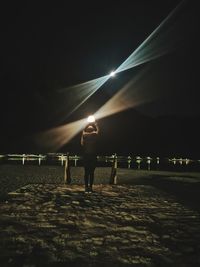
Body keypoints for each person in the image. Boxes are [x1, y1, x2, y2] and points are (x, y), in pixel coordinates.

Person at [81, 121, 99, 193]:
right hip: (92, 156)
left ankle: (86, 187)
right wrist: (96, 124)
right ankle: (90, 187)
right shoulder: (94, 135)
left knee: (86, 172)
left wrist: (86, 124)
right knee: (91, 172)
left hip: (86, 155)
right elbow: (97, 131)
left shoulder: (84, 135)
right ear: (92, 130)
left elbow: (83, 131)